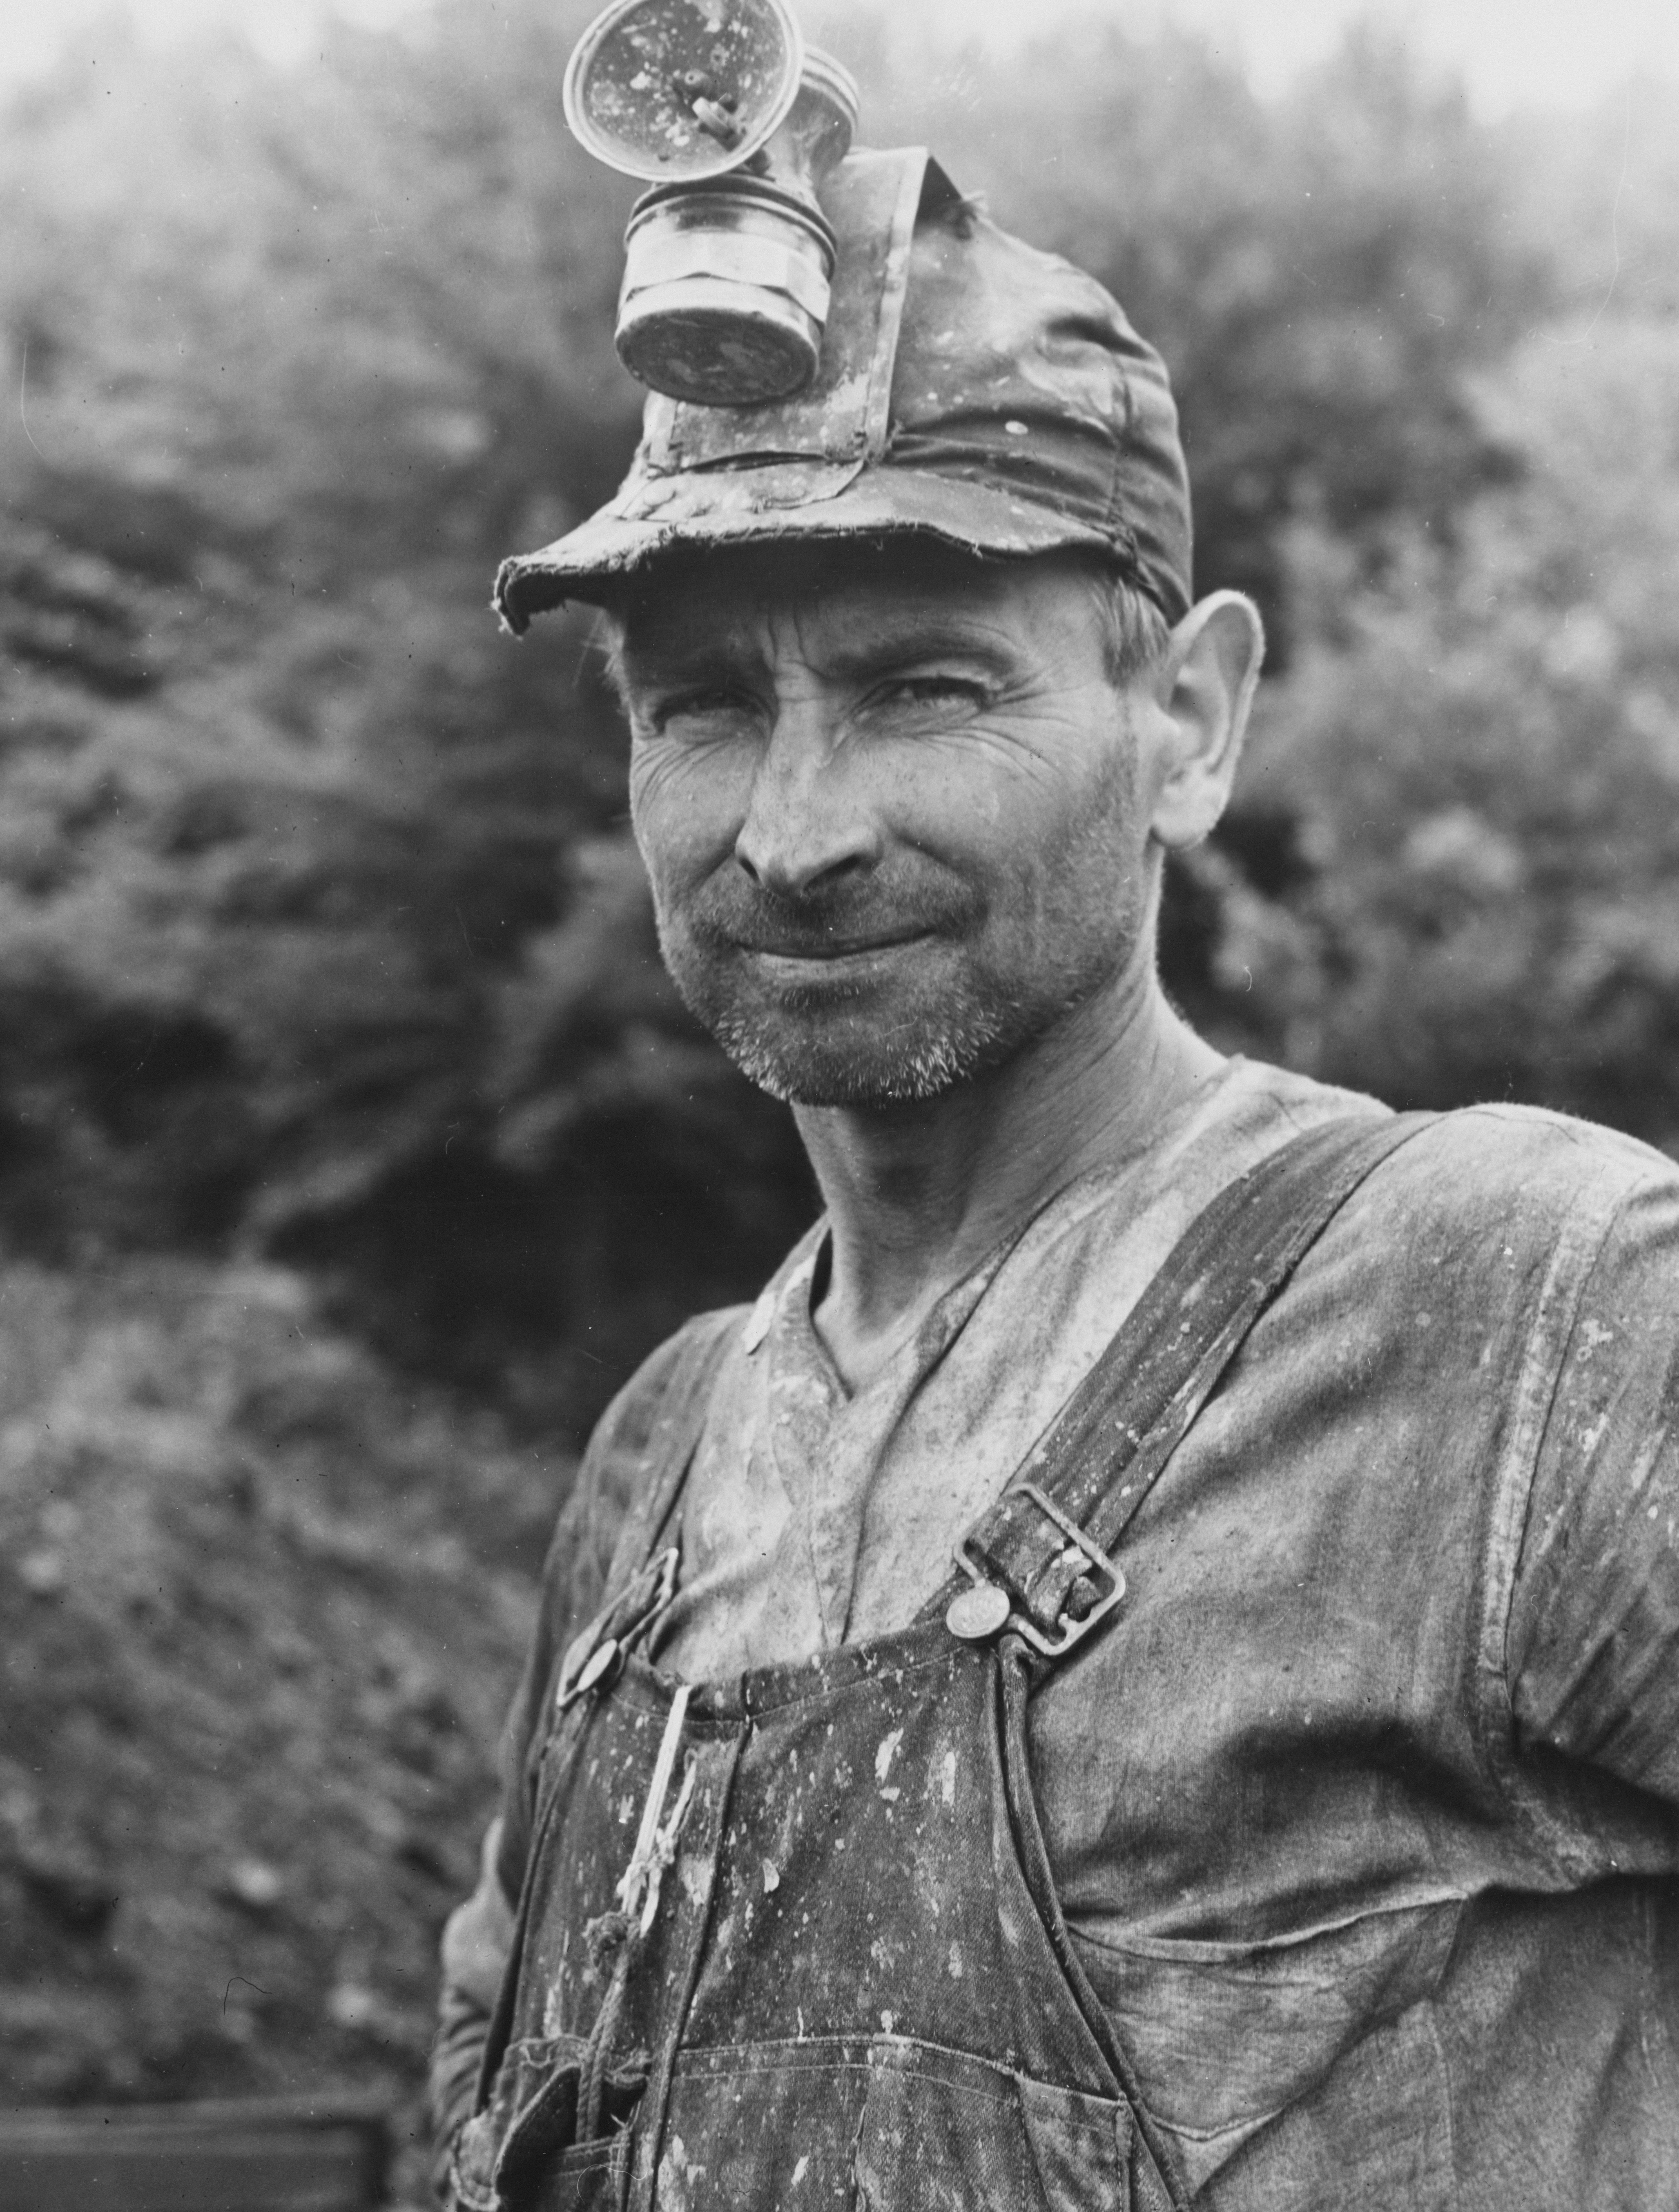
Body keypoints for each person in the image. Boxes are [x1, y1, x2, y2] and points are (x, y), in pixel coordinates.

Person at [430, 146, 1679, 2211]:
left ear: (1188, 719)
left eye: (923, 685)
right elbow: (481, 2085)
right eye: (704, 706)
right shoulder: (657, 1460)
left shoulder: (1528, 1312)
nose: (796, 832)